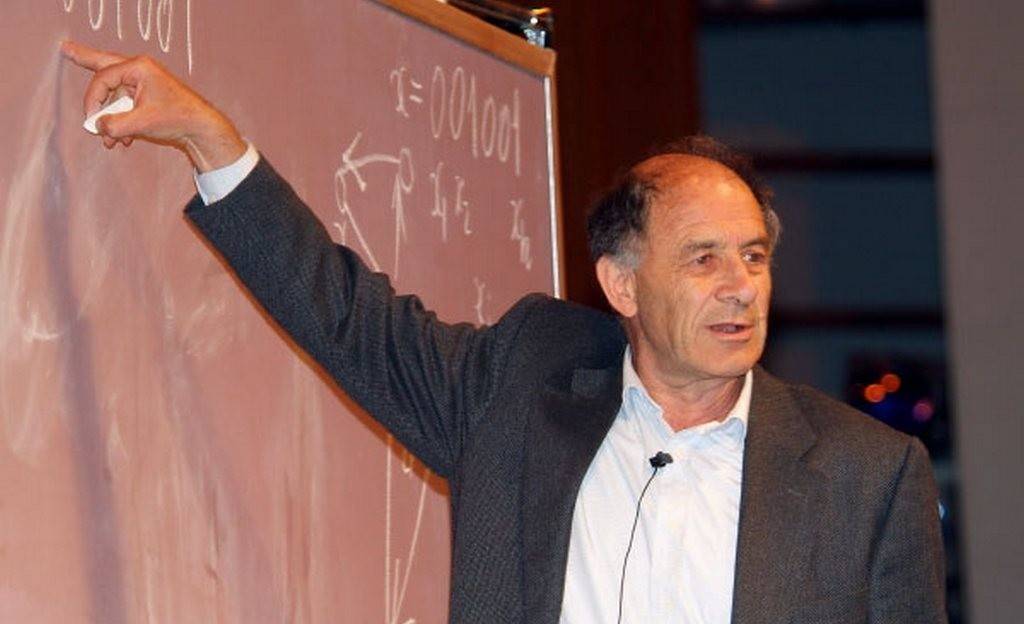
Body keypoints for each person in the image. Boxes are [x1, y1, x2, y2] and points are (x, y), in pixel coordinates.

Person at [62, 42, 947, 624]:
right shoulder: (520, 391)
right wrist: (209, 141)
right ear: (622, 284)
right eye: (703, 258)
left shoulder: (864, 476)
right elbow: (346, 318)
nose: (739, 287)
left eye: (753, 257)